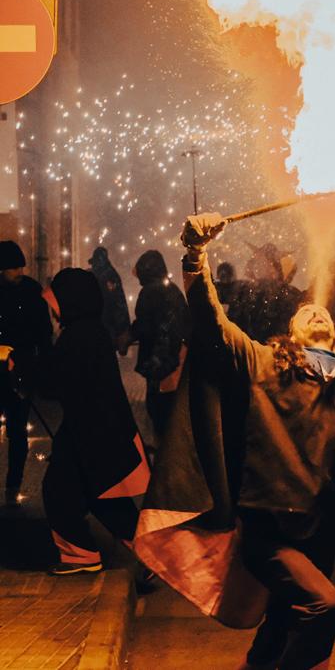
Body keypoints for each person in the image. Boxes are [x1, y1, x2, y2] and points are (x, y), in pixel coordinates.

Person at [135, 213, 335, 670]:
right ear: (292, 333)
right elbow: (211, 318)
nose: (314, 309)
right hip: (270, 533)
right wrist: (196, 254)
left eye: (320, 311)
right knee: (324, 609)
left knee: (279, 627)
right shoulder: (261, 364)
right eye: (304, 312)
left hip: (324, 534)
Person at [37, 269, 149, 574]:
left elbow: (54, 382)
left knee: (59, 491)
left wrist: (19, 367)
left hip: (89, 434)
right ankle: (154, 557)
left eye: (56, 302)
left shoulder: (78, 337)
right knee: (105, 497)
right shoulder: (90, 332)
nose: (52, 310)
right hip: (100, 431)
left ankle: (80, 555)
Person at [0, 240, 52, 507]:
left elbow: (43, 330)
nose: (18, 271)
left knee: (17, 429)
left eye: (20, 266)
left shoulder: (31, 291)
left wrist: (41, 361)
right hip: (3, 366)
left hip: (21, 369)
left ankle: (13, 483)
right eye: (12, 268)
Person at [131, 250, 189, 450]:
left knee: (159, 412)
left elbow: (144, 325)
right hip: (175, 363)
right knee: (173, 416)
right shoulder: (173, 290)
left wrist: (127, 336)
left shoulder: (150, 292)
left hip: (160, 364)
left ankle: (165, 465)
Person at [230, 243, 306, 342]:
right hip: (267, 349)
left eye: (260, 261)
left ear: (273, 267)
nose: (256, 264)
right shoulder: (244, 290)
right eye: (256, 261)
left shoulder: (245, 291)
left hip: (273, 350)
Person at [88, 246, 131, 354]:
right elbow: (119, 303)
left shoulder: (92, 276)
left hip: (96, 326)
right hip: (107, 327)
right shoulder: (111, 276)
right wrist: (122, 329)